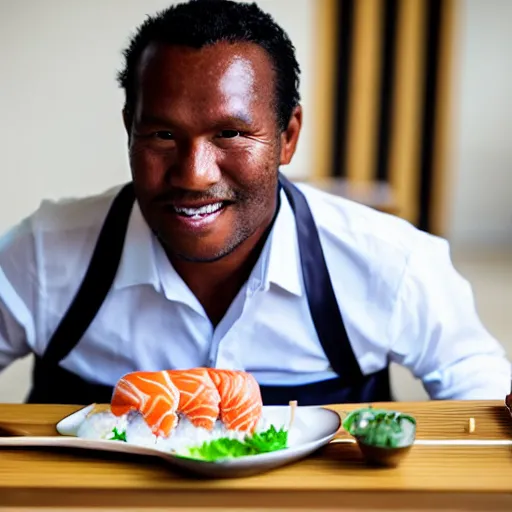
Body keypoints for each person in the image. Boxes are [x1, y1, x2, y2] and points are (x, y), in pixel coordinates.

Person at [0, 0, 509, 406]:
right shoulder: (44, 255)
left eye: (230, 133)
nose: (193, 175)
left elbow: (482, 399)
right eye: (161, 134)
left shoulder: (389, 262)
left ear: (288, 137)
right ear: (128, 131)